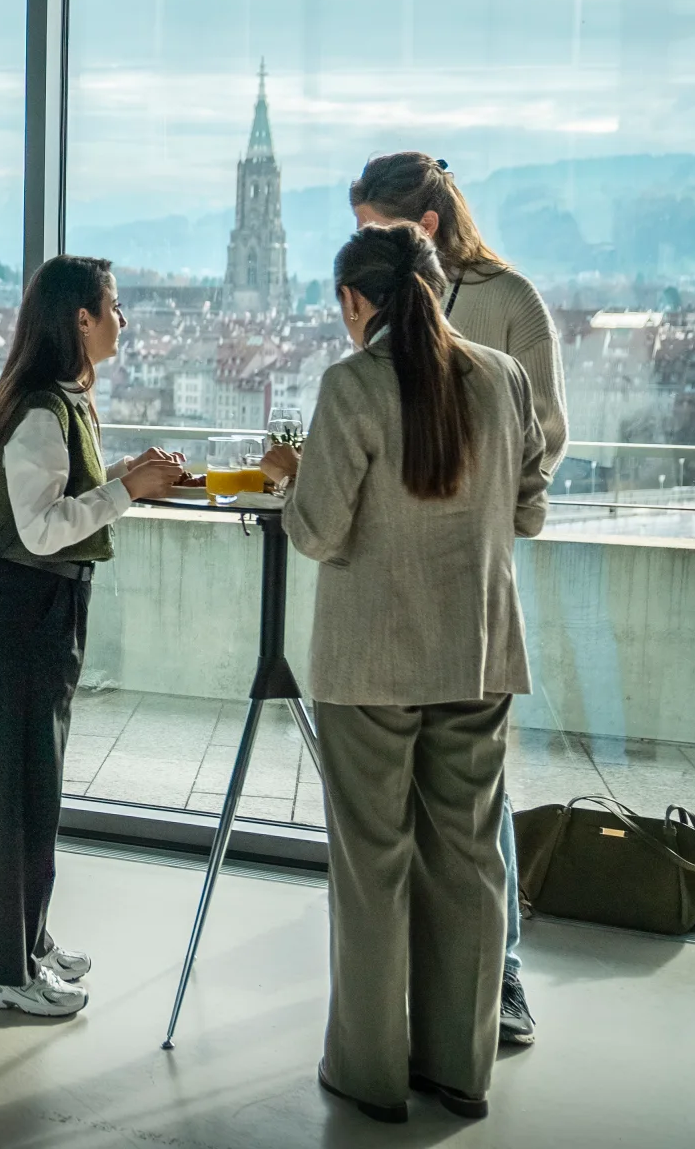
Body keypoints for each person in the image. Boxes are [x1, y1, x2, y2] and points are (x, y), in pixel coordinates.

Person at [264, 223, 547, 1124]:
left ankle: (370, 1074)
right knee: (468, 861)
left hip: (370, 663)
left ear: (355, 301)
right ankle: (461, 1069)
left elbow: (317, 532)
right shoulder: (503, 379)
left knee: (373, 867)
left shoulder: (351, 384)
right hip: (478, 653)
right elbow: (530, 512)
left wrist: (291, 476)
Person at [349, 150, 566, 1047]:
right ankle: (430, 981)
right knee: (436, 794)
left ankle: (498, 971)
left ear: (423, 226)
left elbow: (542, 437)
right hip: (400, 581)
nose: (362, 253)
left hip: (471, 579)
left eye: (373, 233)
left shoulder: (510, 304)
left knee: (480, 799)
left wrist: (473, 507)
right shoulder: (398, 303)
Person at [0, 256, 184, 1019]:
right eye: (114, 307)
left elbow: (57, 495)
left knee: (33, 792)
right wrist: (126, 490)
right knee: (16, 799)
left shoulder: (60, 400)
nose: (122, 320)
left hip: (40, 612)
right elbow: (41, 528)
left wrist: (128, 474)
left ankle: (27, 940)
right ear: (80, 319)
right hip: (23, 612)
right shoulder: (41, 409)